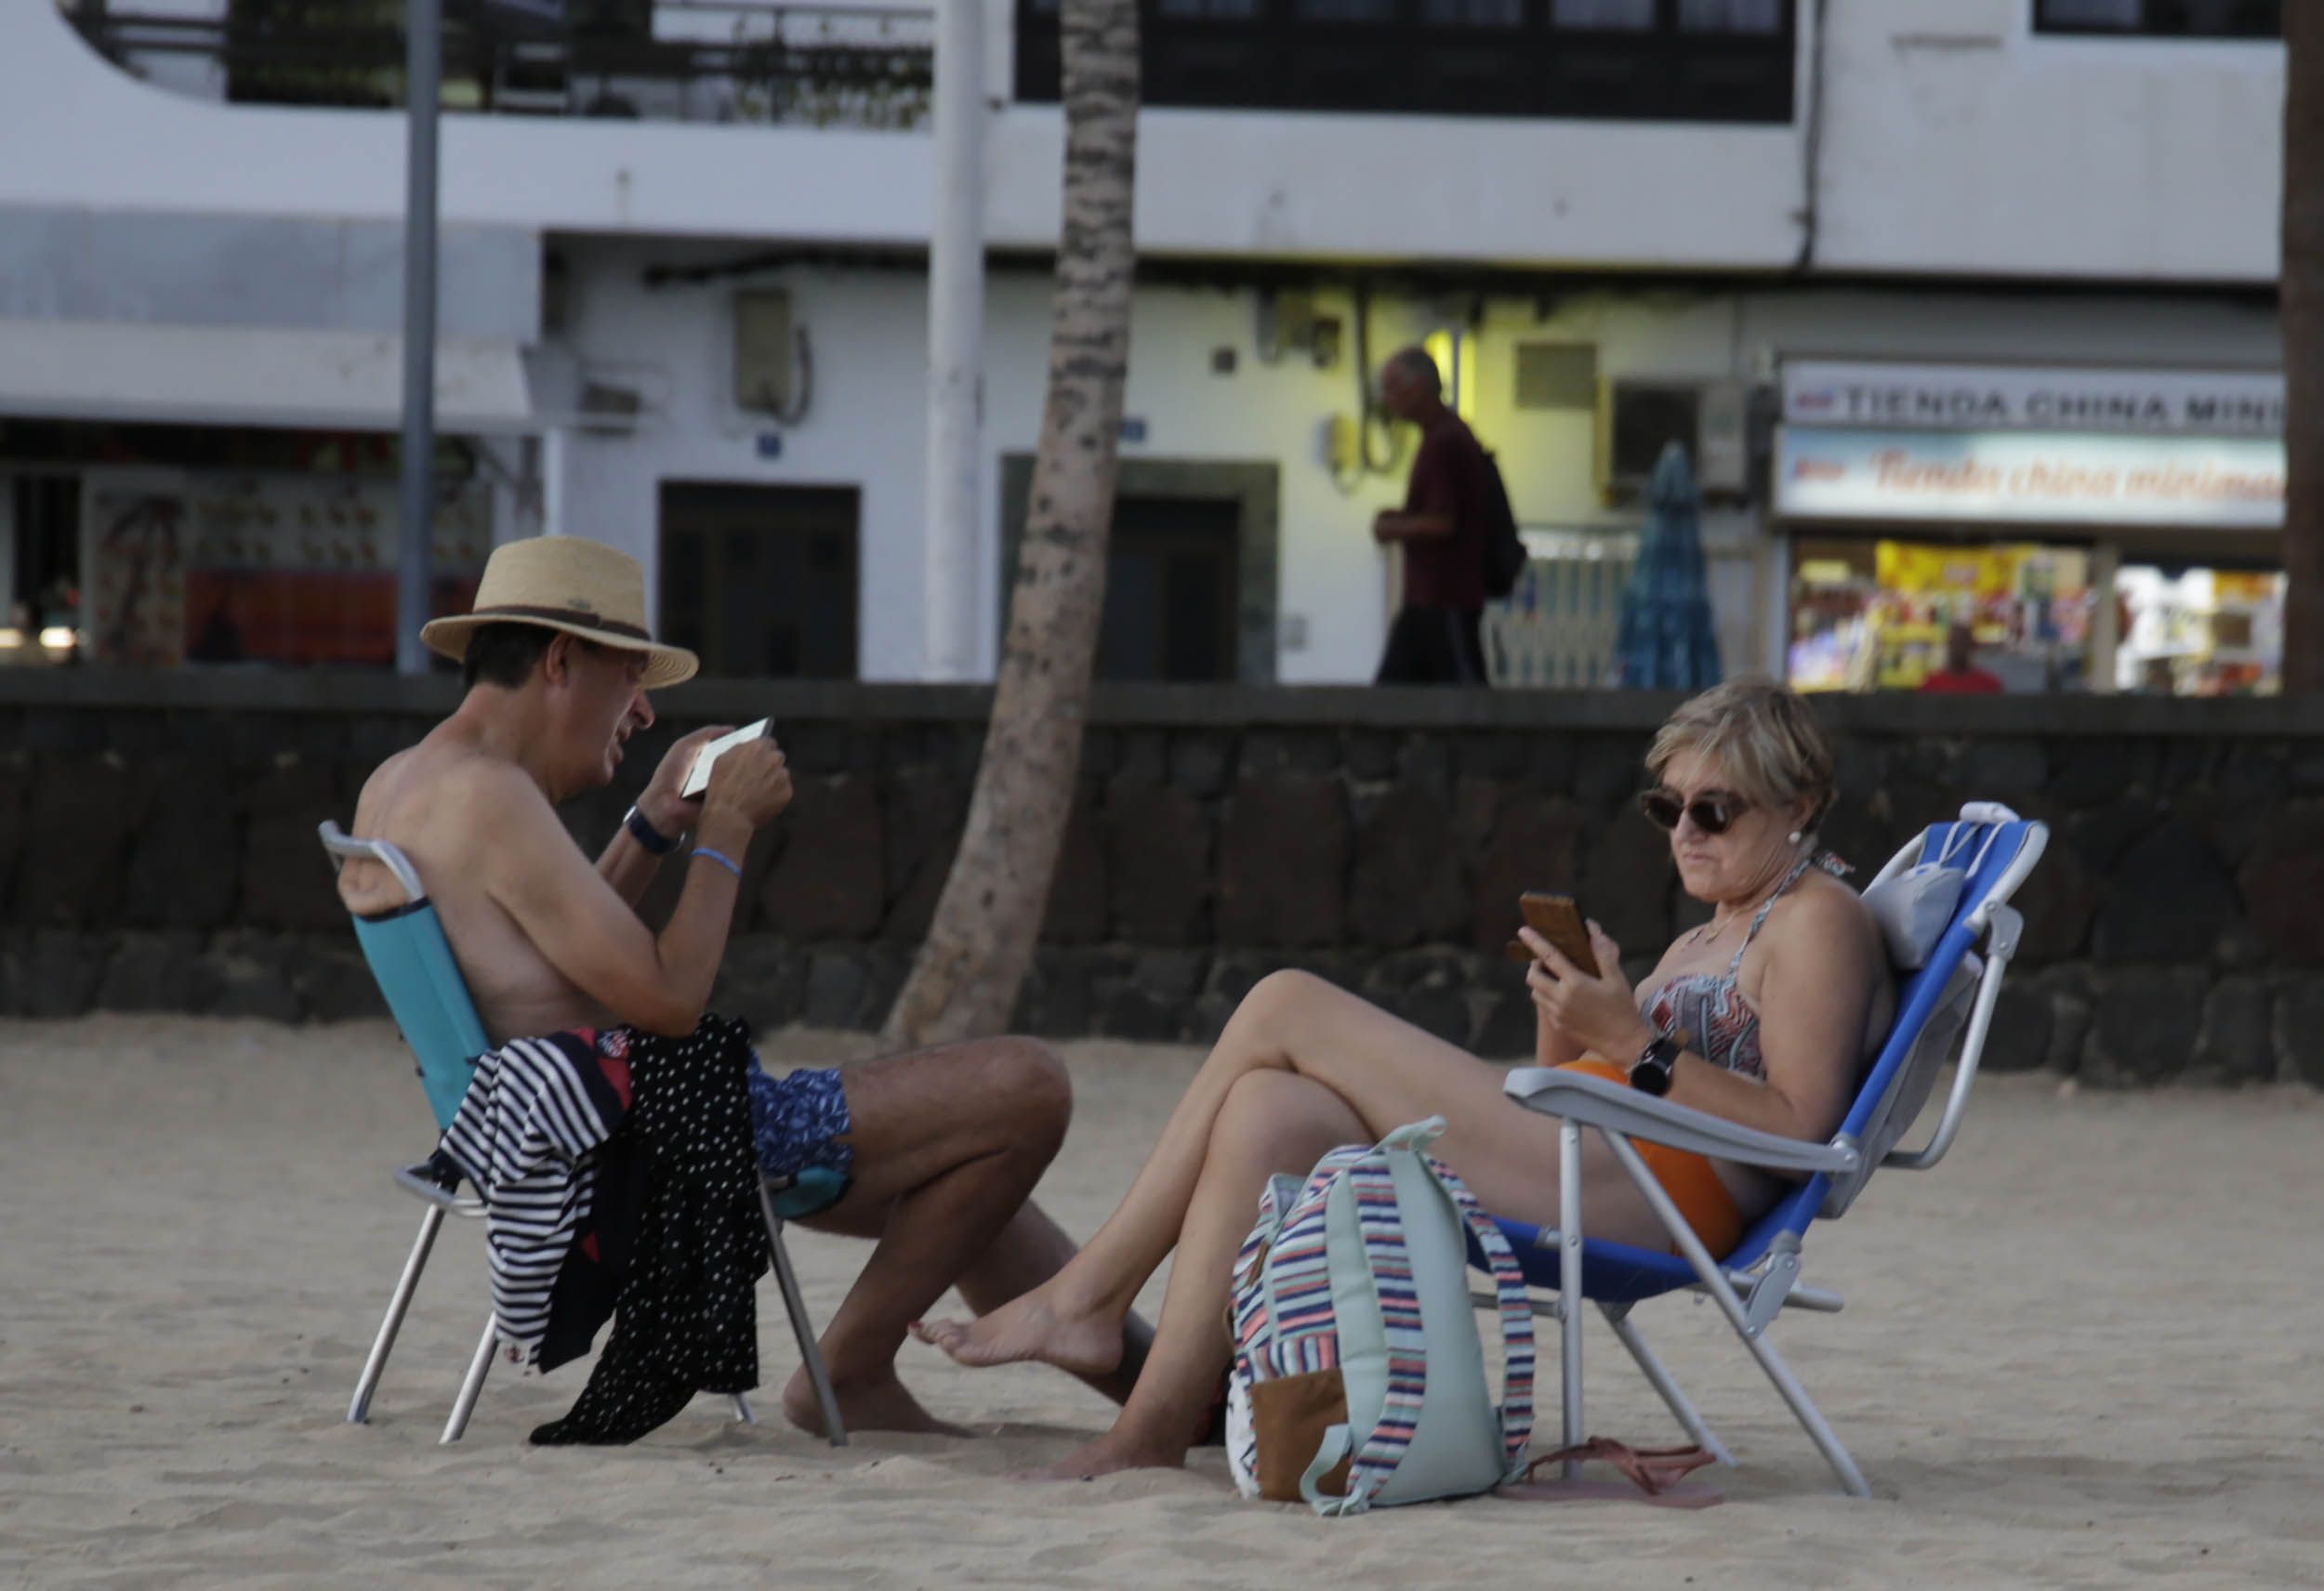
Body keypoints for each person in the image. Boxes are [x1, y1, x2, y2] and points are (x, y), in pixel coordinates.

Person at [915, 678, 1895, 1479]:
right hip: (1598, 1160)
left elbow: (1803, 1126)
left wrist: (1632, 1035)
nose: (1684, 829)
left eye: (1713, 808)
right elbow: (1568, 1087)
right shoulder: (1700, 933)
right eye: (1666, 805)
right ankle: (1152, 1427)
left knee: (1285, 1001)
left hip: (1670, 1197)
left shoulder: (1815, 919)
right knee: (1272, 1105)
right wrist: (1568, 1018)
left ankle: (1084, 1295)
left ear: (1799, 804)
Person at [336, 535, 1144, 1436]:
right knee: (1029, 1085)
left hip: (535, 1126)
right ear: (562, 660)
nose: (641, 710)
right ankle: (849, 1369)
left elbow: (549, 964)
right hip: (635, 1144)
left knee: (972, 1180)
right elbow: (671, 999)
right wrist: (725, 828)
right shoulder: (493, 796)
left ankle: (1171, 1397)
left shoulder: (402, 782)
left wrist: (652, 822)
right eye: (629, 676)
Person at [1370, 347, 1493, 686]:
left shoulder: (1445, 441)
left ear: (1419, 387)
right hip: (1428, 601)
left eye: (1394, 387)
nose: (1388, 398)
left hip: (1444, 599)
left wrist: (1392, 528)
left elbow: (1443, 523)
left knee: (1464, 704)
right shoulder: (1444, 437)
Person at [1918, 622, 2004, 694]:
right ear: (1948, 646)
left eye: (1962, 643)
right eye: (1954, 643)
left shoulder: (1989, 684)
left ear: (1971, 647)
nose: (1958, 648)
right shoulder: (1932, 684)